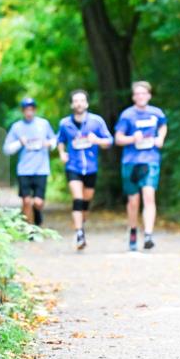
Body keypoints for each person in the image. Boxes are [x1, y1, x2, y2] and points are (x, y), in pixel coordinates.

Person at [114, 81, 168, 251]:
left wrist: (160, 138)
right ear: (133, 97)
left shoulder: (156, 113)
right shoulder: (127, 115)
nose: (140, 96)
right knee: (133, 201)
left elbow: (163, 126)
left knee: (149, 196)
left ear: (149, 95)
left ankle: (148, 235)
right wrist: (132, 139)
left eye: (143, 93)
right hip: (131, 161)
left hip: (150, 160)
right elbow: (118, 138)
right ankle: (132, 229)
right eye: (137, 94)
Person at [56, 89, 112, 250]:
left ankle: (81, 224)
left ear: (86, 103)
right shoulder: (65, 123)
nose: (79, 103)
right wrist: (62, 153)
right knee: (78, 199)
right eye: (76, 101)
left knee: (86, 203)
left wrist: (97, 140)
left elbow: (109, 141)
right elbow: (60, 139)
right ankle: (79, 233)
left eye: (82, 100)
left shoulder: (97, 121)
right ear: (72, 104)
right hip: (73, 166)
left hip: (91, 167)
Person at [2, 98, 56, 226]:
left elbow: (54, 141)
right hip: (24, 170)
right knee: (26, 201)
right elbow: (6, 149)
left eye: (31, 109)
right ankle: (29, 230)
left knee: (38, 202)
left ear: (35, 110)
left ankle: (37, 217)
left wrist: (48, 144)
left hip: (41, 169)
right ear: (22, 111)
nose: (29, 112)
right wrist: (19, 142)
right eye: (26, 110)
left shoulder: (44, 124)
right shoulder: (17, 127)